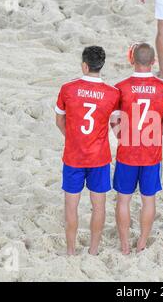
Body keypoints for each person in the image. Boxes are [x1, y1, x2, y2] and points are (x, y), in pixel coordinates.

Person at [55, 46, 120, 256]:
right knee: (98, 207)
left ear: (84, 65)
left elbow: (59, 121)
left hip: (74, 157)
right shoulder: (113, 94)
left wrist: (73, 139)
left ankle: (71, 251)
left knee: (71, 207)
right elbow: (116, 126)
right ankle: (93, 251)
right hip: (99, 158)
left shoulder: (68, 88)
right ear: (101, 66)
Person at [110, 43, 163, 255]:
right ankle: (142, 243)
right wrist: (157, 133)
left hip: (127, 151)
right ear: (154, 62)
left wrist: (120, 135)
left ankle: (125, 246)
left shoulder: (120, 86)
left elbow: (114, 119)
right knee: (148, 200)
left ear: (132, 60)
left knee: (123, 199)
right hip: (151, 153)